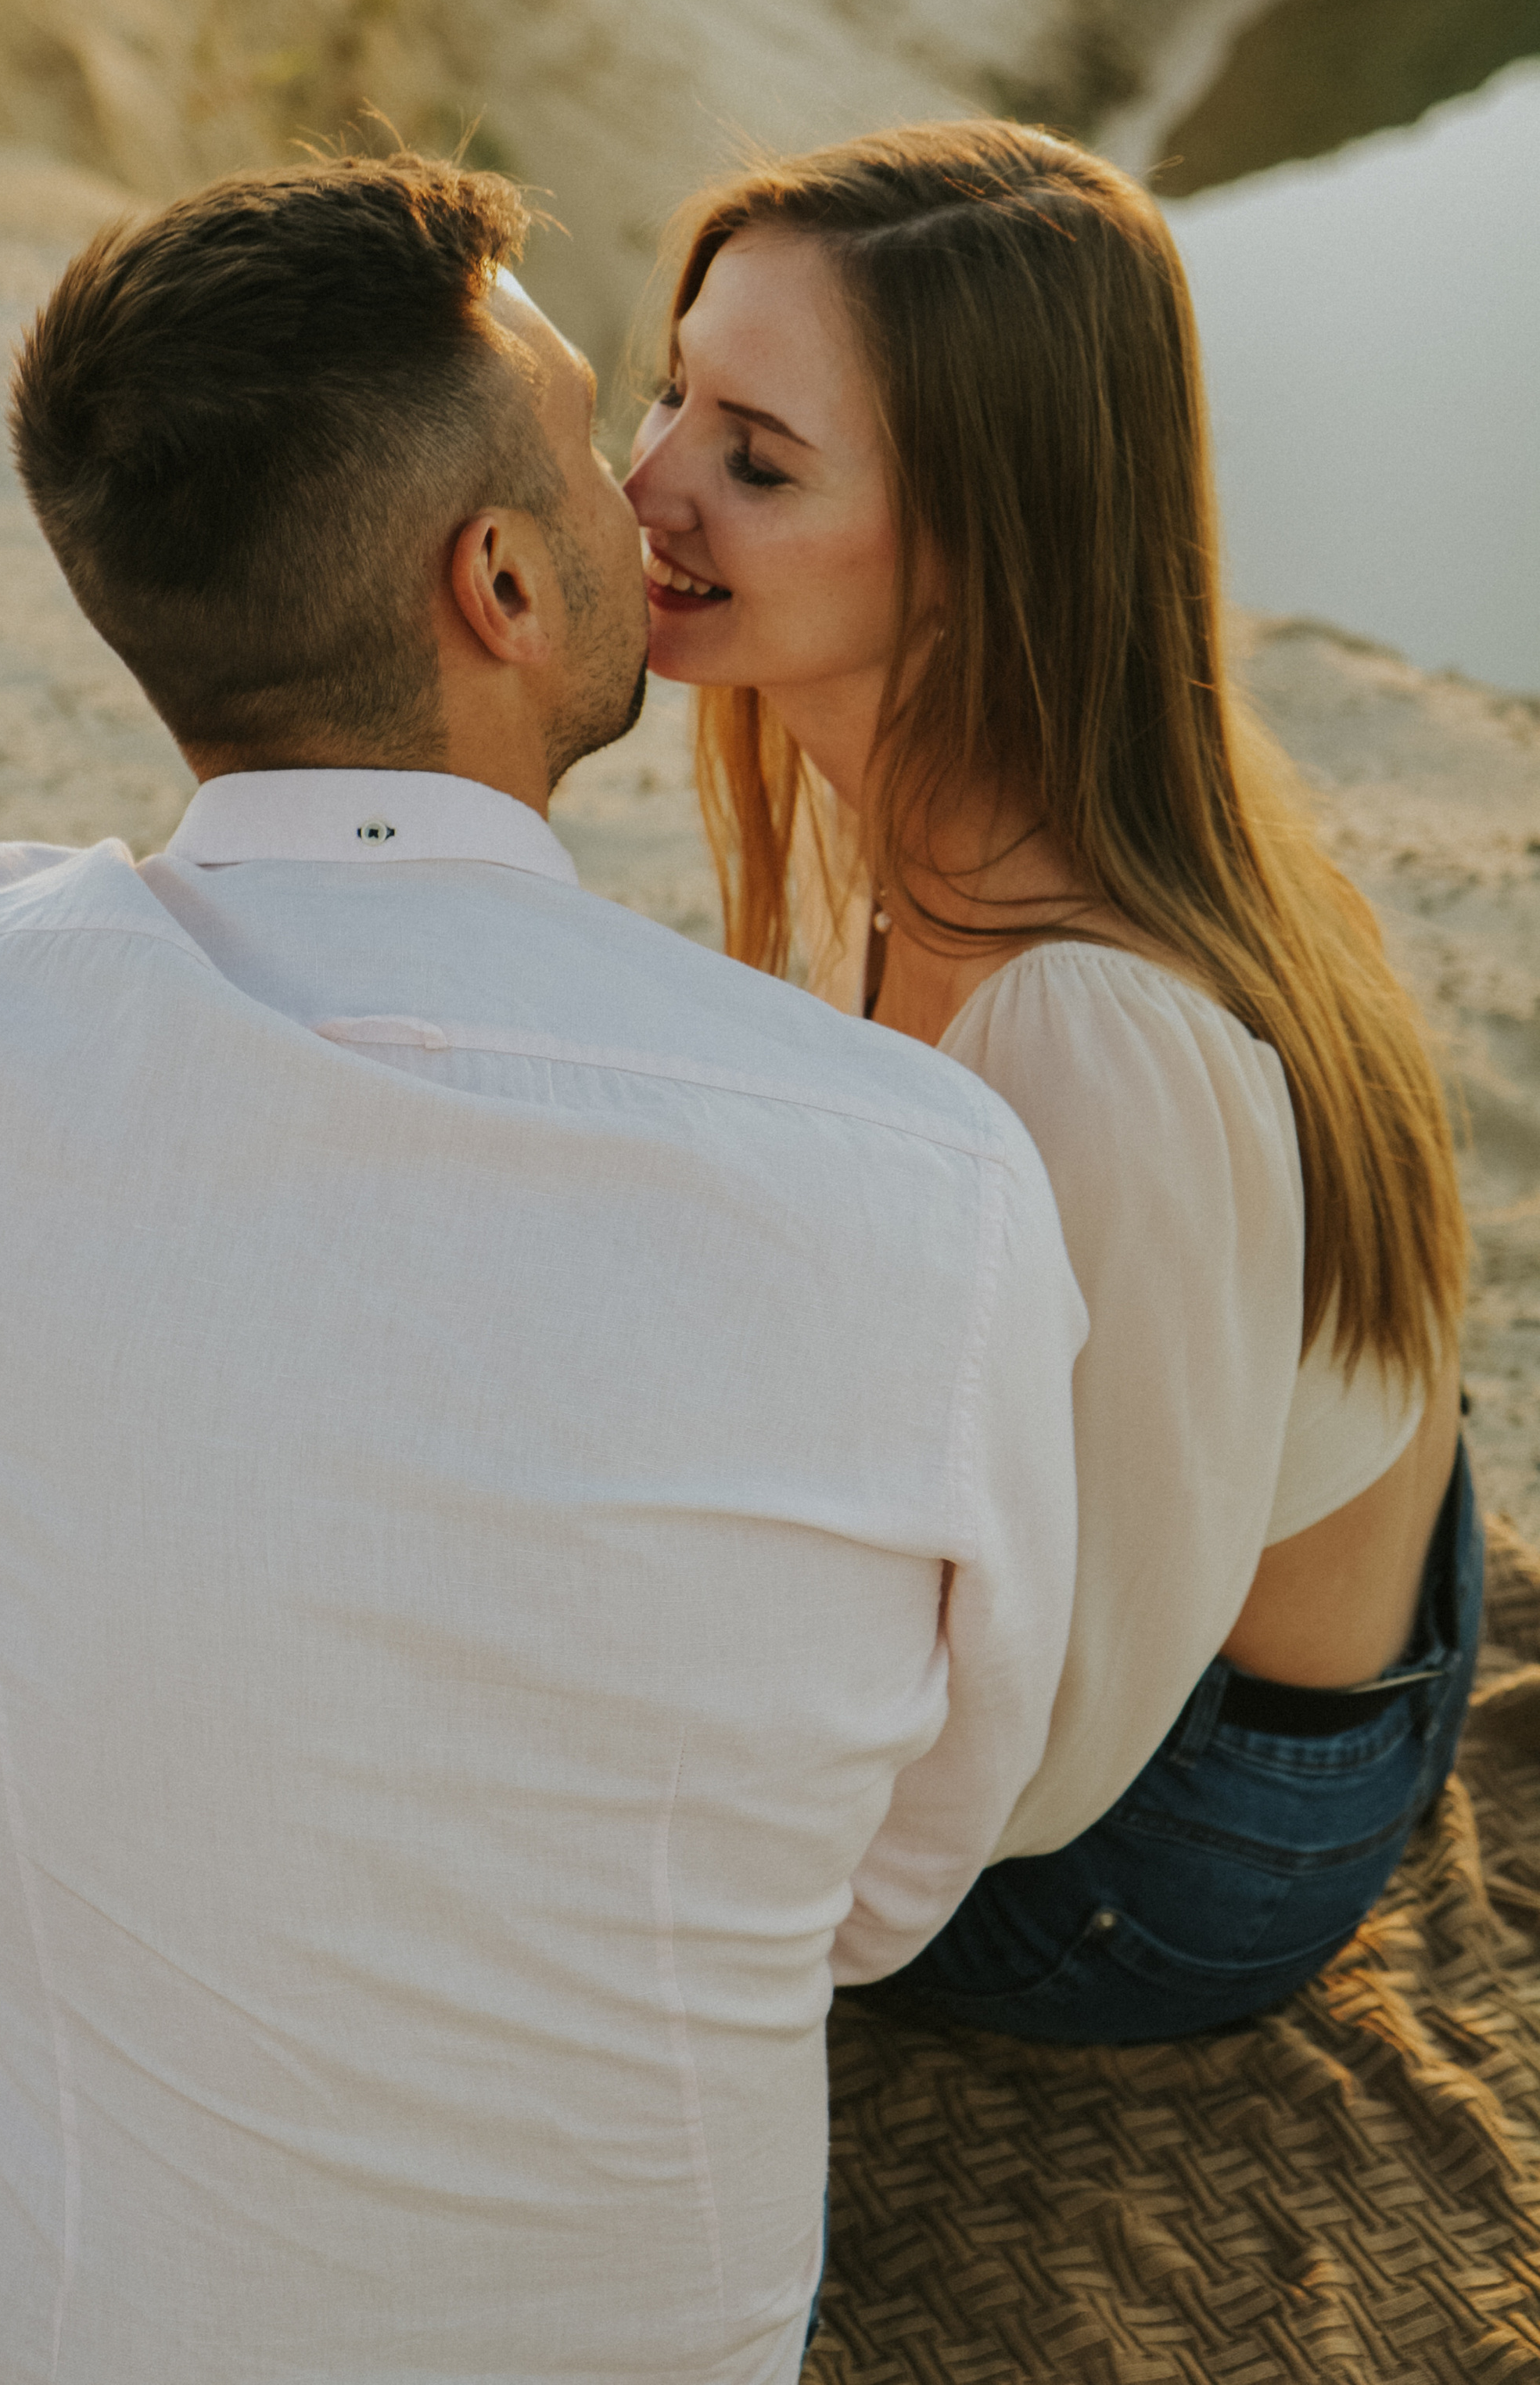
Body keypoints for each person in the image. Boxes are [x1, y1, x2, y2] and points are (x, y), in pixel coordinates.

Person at [0, 153, 1084, 2385]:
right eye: (592, 439)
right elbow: (884, 1890)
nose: (641, 492)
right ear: (500, 586)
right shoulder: (933, 1183)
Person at [625, 118, 1481, 2047]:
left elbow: (1045, 1768)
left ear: (975, 548)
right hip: (1240, 1575)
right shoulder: (953, 787)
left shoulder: (1088, 1025)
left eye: (754, 461)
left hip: (1193, 1828)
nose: (643, 484)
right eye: (669, 393)